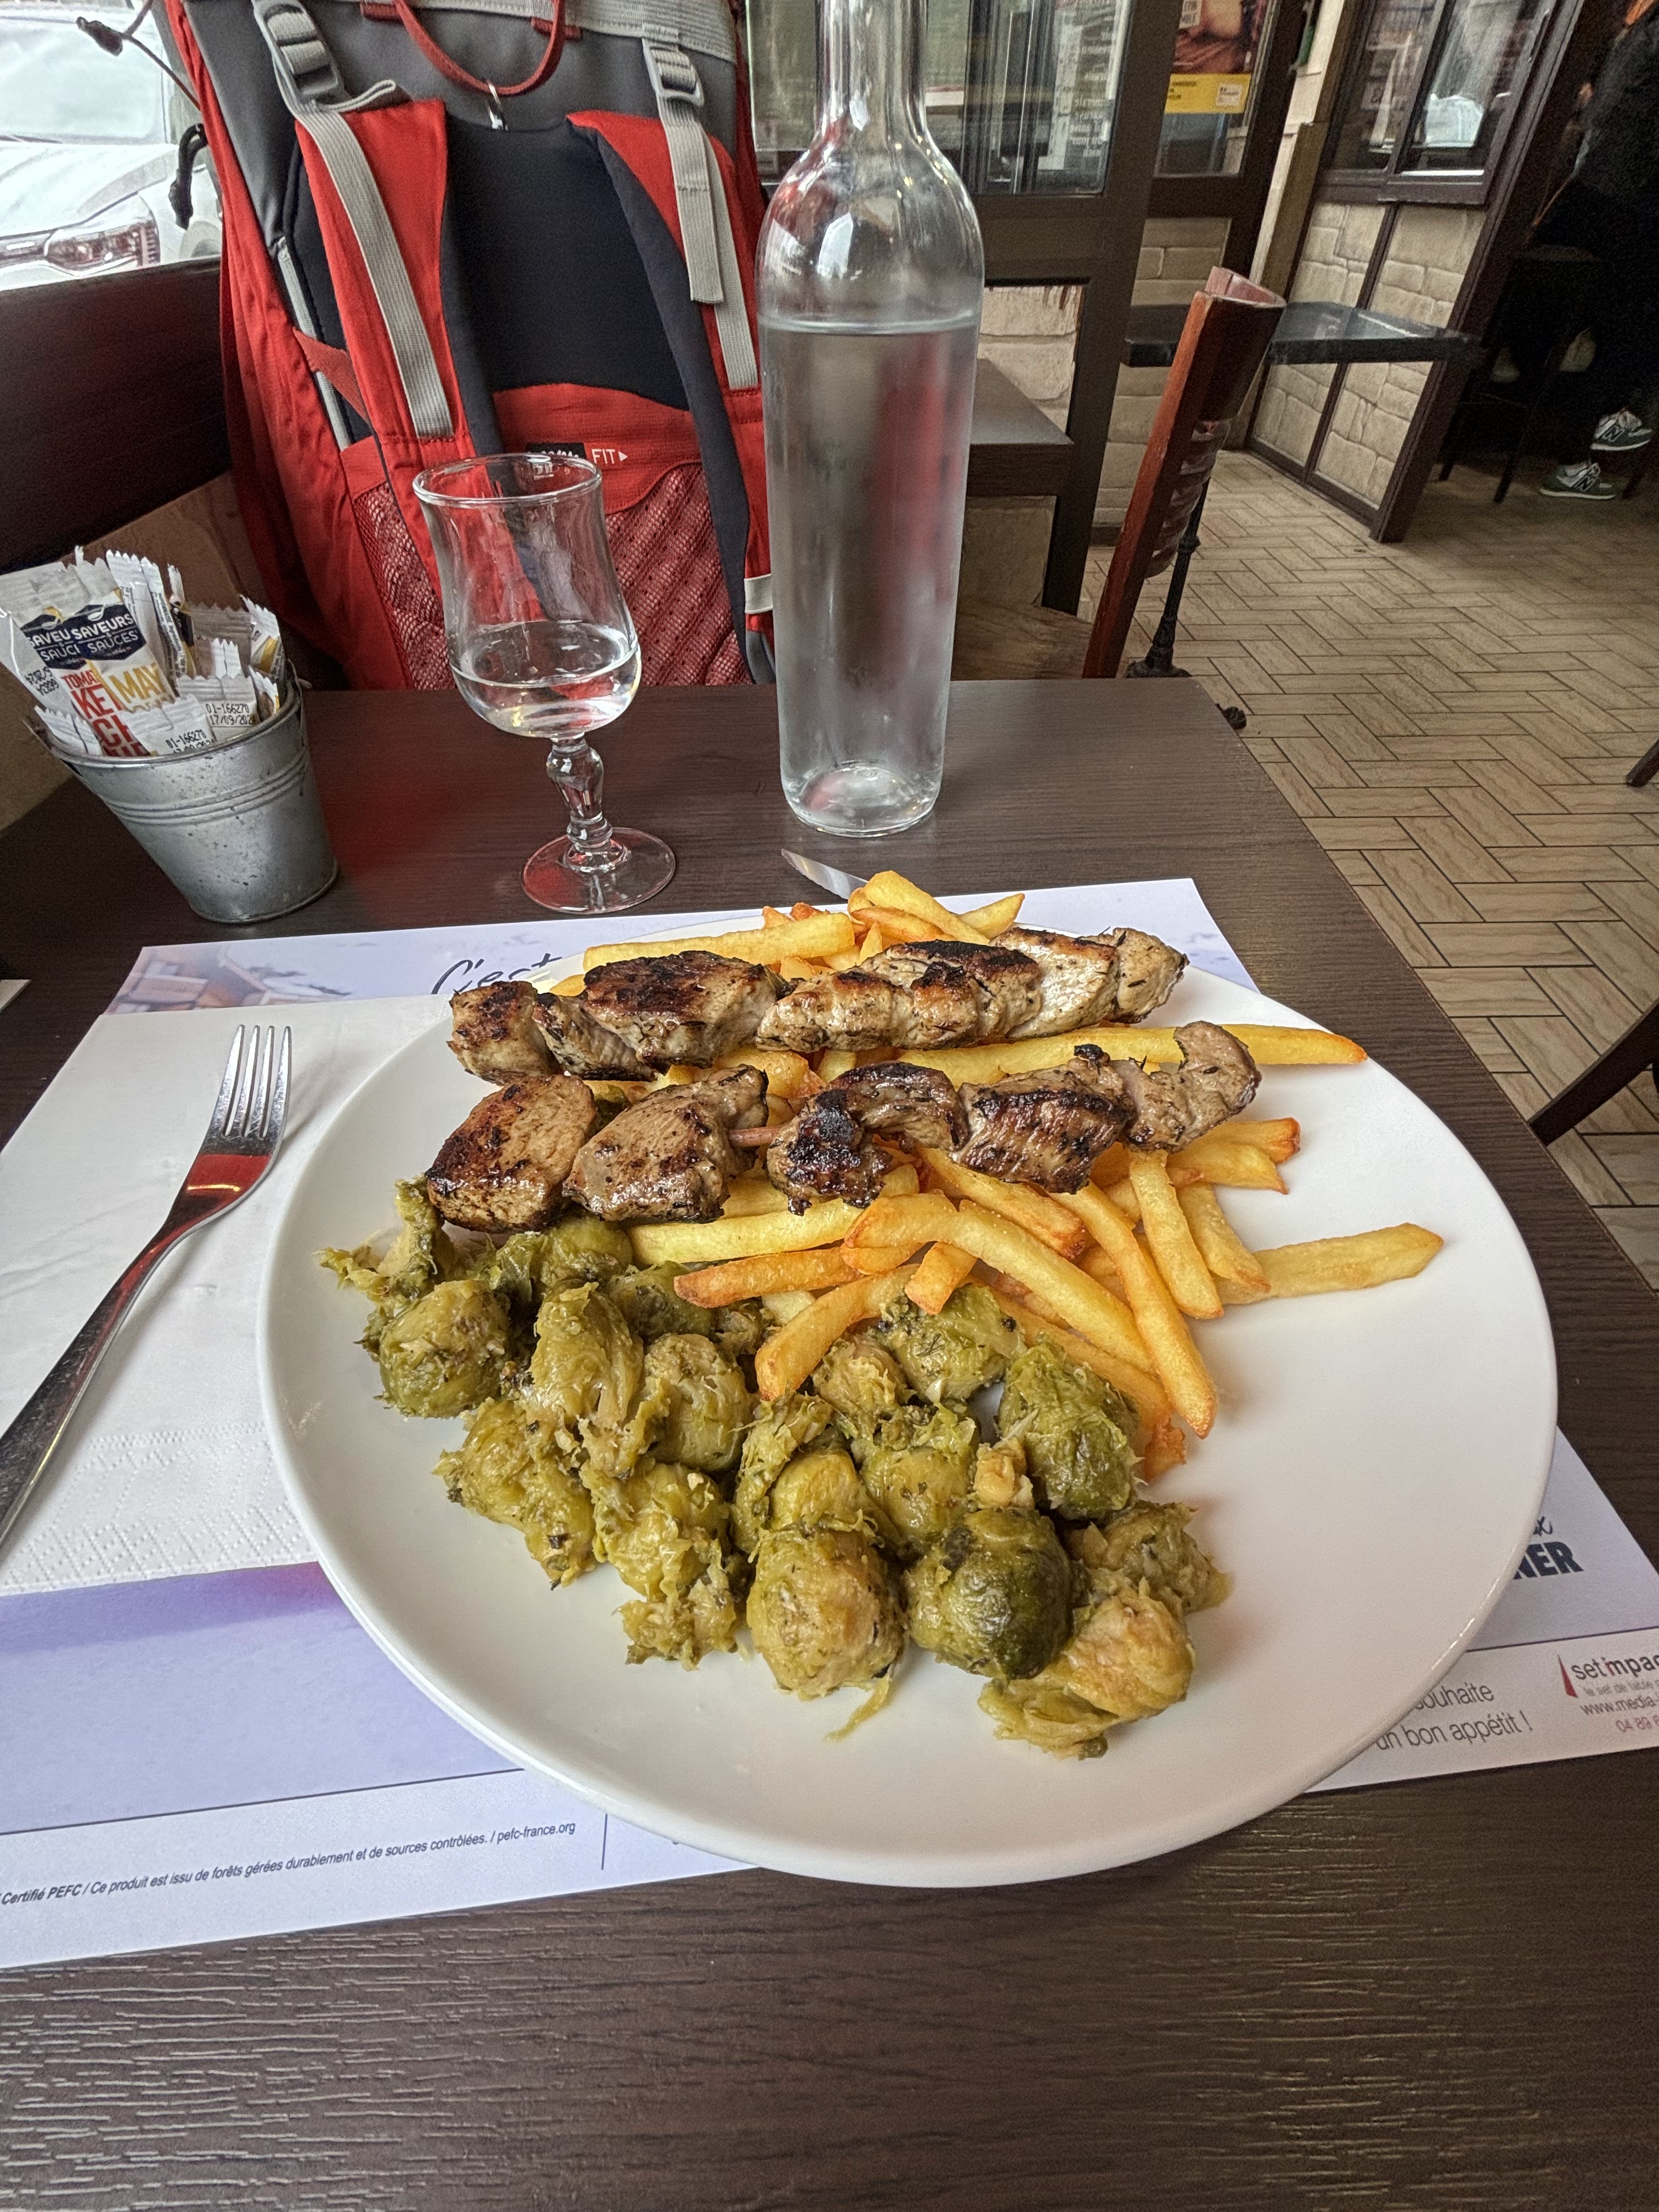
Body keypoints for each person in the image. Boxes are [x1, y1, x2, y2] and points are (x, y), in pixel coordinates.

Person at [1533, 0, 1659, 499]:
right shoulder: (1641, 30)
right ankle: (1599, 431)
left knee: (1603, 318)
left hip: (1589, 187)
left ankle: (1581, 447)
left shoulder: (1628, 28)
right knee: (1632, 321)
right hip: (1628, 197)